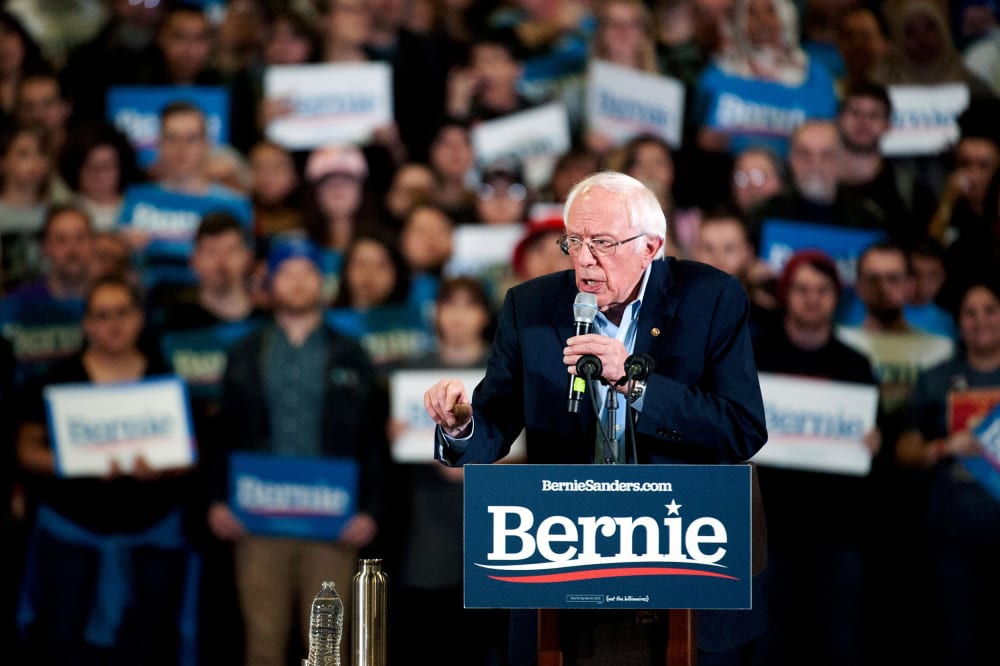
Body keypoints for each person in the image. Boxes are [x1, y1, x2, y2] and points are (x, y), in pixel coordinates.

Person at [423, 171, 768, 666]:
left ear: (651, 246)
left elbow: (741, 428)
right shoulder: (531, 306)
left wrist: (634, 381)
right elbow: (494, 422)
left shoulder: (710, 298)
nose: (584, 259)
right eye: (575, 242)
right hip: (565, 559)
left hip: (681, 555)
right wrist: (461, 426)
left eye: (602, 242)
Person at [205, 238, 391, 665]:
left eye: (308, 272)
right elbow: (223, 433)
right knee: (263, 641)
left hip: (331, 517)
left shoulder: (350, 353)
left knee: (328, 648)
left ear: (322, 284)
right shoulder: (246, 353)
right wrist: (216, 500)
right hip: (257, 517)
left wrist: (371, 510)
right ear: (269, 283)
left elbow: (371, 438)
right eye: (286, 272)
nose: (298, 281)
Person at [15, 274, 199, 665]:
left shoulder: (164, 379)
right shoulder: (59, 380)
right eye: (102, 315)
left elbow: (191, 452)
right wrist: (77, 463)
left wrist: (165, 468)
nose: (113, 323)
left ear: (139, 319)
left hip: (152, 538)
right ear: (87, 324)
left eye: (122, 313)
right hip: (71, 538)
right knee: (66, 643)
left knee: (147, 644)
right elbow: (27, 449)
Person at [751, 250, 879, 666]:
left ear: (835, 298)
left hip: (838, 530)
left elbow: (870, 444)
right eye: (802, 289)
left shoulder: (856, 365)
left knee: (840, 641)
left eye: (822, 290)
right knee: (768, 641)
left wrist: (874, 441)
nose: (811, 298)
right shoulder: (756, 357)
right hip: (770, 529)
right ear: (786, 294)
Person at [893, 279, 1000, 666]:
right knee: (960, 644)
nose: (980, 320)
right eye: (970, 312)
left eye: (990, 309)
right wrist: (944, 446)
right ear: (958, 323)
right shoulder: (936, 378)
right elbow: (904, 452)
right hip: (953, 537)